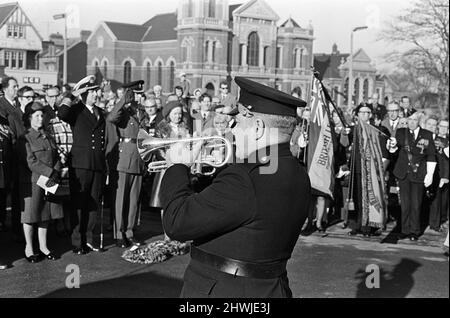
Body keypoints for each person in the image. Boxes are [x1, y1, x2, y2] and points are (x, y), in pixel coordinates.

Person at [160, 77, 311, 298]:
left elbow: (176, 223)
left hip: (225, 291)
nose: (234, 130)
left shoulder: (244, 178)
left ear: (258, 127)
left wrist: (177, 167)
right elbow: (243, 211)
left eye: (238, 122)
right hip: (271, 289)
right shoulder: (298, 174)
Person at [58, 78, 107, 254]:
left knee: (93, 203)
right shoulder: (76, 111)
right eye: (92, 91)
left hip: (97, 163)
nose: (96, 94)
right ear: (84, 94)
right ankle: (77, 241)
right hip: (80, 163)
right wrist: (71, 95)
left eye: (96, 91)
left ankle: (89, 239)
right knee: (79, 202)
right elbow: (62, 113)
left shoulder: (100, 112)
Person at [18, 102, 63, 262]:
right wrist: (51, 172)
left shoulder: (48, 136)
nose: (40, 118)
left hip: (48, 182)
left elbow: (56, 156)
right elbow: (30, 161)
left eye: (42, 115)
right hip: (32, 182)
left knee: (45, 215)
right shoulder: (25, 138)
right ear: (29, 118)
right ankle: (29, 248)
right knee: (30, 216)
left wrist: (56, 170)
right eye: (36, 115)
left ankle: (44, 247)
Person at [107, 80, 146, 248]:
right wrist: (123, 101)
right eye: (135, 93)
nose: (138, 97)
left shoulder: (141, 111)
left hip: (138, 158)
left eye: (139, 94)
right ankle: (119, 233)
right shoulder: (123, 111)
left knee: (133, 200)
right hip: (124, 159)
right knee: (120, 199)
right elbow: (111, 118)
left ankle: (129, 231)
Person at [388, 111, 436, 241]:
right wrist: (391, 146)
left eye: (414, 120)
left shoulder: (427, 135)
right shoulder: (401, 132)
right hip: (403, 173)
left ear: (419, 121)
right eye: (409, 120)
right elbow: (394, 149)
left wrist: (430, 174)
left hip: (419, 174)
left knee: (416, 204)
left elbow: (431, 155)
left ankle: (414, 231)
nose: (411, 122)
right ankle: (404, 230)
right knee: (405, 204)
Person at [347, 103, 389, 237]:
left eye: (368, 113)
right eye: (362, 112)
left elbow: (383, 151)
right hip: (356, 168)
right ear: (357, 114)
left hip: (370, 169)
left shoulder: (376, 130)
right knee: (356, 197)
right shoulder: (352, 129)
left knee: (370, 198)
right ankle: (356, 225)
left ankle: (368, 227)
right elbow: (345, 145)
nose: (365, 115)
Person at [0, 77, 25, 243]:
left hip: (19, 157)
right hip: (8, 157)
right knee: (4, 195)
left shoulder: (17, 106)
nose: (17, 89)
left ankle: (16, 227)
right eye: (14, 87)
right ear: (6, 89)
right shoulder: (2, 106)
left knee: (17, 196)